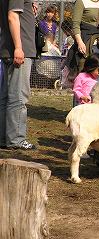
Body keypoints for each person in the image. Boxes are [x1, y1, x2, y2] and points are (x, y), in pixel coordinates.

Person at [0, 0, 37, 150]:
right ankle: (16, 139)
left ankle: (4, 138)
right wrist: (18, 48)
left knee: (6, 97)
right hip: (19, 50)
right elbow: (12, 16)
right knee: (18, 96)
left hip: (7, 49)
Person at [65, 0, 99, 82]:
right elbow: (75, 24)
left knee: (98, 71)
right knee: (83, 71)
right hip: (85, 41)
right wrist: (79, 42)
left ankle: (95, 91)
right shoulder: (81, 2)